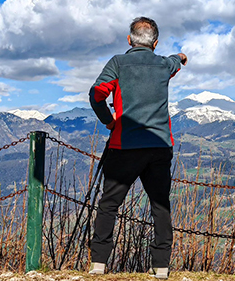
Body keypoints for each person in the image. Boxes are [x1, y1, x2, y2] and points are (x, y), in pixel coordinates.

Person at [88, 17, 187, 278]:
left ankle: (99, 263)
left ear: (129, 40)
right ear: (155, 43)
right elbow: (177, 61)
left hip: (125, 145)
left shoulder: (118, 63)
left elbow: (97, 93)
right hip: (159, 145)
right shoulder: (165, 64)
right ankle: (161, 267)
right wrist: (181, 55)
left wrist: (109, 121)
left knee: (109, 203)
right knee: (160, 205)